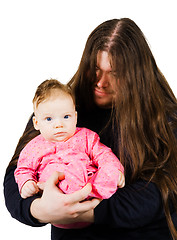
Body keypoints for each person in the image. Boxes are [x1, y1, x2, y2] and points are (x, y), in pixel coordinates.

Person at [4, 17, 177, 240]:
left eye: (114, 73)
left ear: (136, 76)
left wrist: (83, 211)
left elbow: (163, 192)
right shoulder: (58, 112)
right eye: (95, 69)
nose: (101, 82)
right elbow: (16, 174)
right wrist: (40, 209)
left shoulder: (166, 116)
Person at [14, 79, 124, 229]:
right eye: (49, 119)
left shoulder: (86, 137)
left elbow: (103, 154)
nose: (59, 124)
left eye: (66, 117)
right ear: (36, 123)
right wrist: (26, 183)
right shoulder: (33, 147)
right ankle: (69, 194)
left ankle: (93, 195)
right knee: (51, 177)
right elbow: (23, 169)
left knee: (109, 168)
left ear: (75, 117)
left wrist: (115, 170)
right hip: (56, 194)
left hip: (89, 187)